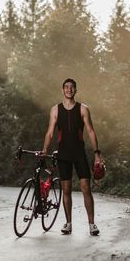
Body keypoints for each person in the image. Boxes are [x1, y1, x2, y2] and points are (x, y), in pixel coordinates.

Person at [42, 78, 105, 236]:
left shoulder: (83, 109)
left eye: (72, 87)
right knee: (66, 190)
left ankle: (92, 224)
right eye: (66, 87)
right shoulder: (55, 110)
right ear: (63, 90)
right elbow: (50, 132)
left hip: (79, 154)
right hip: (63, 154)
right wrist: (44, 150)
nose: (69, 90)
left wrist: (97, 153)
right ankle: (68, 223)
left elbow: (90, 131)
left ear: (75, 90)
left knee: (86, 189)